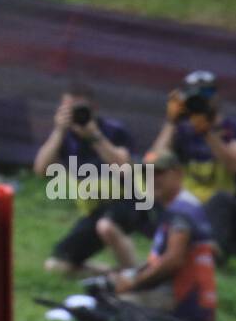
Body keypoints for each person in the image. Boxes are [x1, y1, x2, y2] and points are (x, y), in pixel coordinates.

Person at [34, 83, 152, 275]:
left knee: (107, 226)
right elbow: (41, 169)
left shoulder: (113, 131)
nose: (74, 114)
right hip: (95, 211)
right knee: (56, 265)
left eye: (79, 109)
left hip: (129, 202)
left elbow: (124, 167)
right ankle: (116, 275)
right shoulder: (64, 137)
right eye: (68, 109)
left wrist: (93, 136)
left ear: (93, 109)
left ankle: (134, 279)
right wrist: (58, 131)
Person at [148, 70, 236, 250]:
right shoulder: (182, 131)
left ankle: (212, 250)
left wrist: (208, 132)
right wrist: (171, 122)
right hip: (189, 205)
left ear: (217, 97)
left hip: (224, 207)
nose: (201, 99)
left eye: (207, 93)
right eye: (194, 94)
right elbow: (153, 162)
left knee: (220, 200)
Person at [112, 151, 218, 321]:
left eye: (159, 173)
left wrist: (134, 282)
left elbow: (173, 261)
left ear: (178, 174)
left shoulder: (181, 212)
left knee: (111, 303)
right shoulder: (181, 206)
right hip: (190, 299)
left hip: (183, 302)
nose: (152, 179)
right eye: (148, 175)